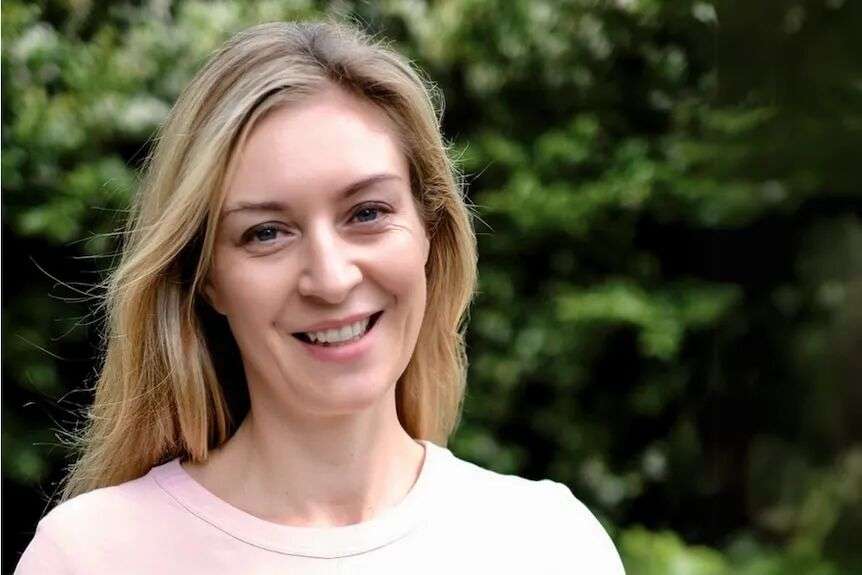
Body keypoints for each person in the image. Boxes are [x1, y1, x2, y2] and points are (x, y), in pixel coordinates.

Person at [14, 20, 625, 574]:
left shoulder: (550, 545)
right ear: (206, 280)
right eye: (266, 233)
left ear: (431, 237)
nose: (330, 279)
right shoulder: (91, 556)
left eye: (367, 212)